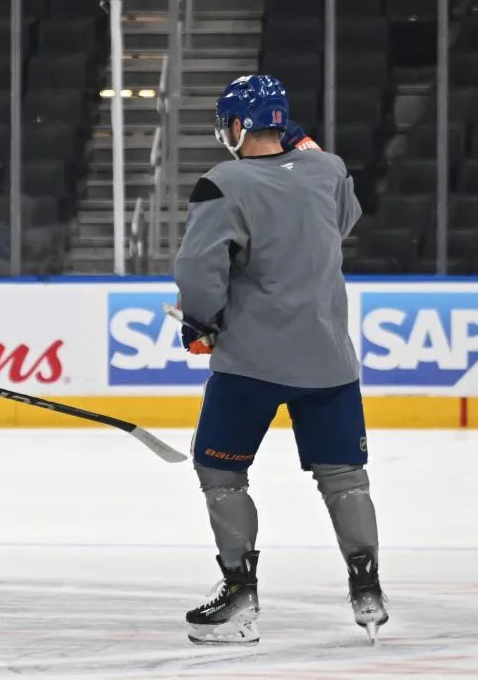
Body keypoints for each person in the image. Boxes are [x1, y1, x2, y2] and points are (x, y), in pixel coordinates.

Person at [173, 74, 386, 646]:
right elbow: (340, 223)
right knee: (345, 477)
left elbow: (199, 272)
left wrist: (199, 322)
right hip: (329, 359)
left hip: (250, 362)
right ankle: (367, 587)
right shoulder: (330, 167)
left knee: (221, 473)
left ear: (240, 126)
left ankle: (240, 598)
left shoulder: (223, 182)